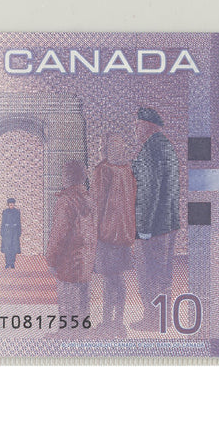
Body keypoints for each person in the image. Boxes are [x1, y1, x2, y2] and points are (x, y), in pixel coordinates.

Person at [130, 107, 182, 331]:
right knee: (163, 276)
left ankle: (152, 320)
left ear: (147, 126)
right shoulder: (166, 146)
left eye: (137, 125)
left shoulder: (151, 149)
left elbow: (148, 191)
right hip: (168, 224)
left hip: (153, 227)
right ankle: (163, 319)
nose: (135, 129)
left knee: (149, 274)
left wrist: (143, 228)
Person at [91, 133, 137, 336]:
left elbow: (97, 203)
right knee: (118, 279)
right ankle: (118, 323)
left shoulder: (103, 170)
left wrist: (91, 231)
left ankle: (107, 323)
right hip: (124, 234)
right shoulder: (128, 171)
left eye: (103, 145)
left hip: (106, 233)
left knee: (109, 280)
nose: (101, 149)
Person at [46, 161, 98, 324]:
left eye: (64, 174)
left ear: (67, 177)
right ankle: (82, 331)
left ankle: (67, 333)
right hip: (85, 258)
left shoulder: (66, 201)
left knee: (67, 300)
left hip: (68, 260)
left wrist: (51, 259)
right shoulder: (89, 198)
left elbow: (59, 233)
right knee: (83, 298)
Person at [0, 198, 21, 268]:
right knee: (7, 248)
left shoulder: (17, 212)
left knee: (14, 248)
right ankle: (7, 263)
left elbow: (19, 222)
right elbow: (3, 222)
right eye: (10, 203)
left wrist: (19, 232)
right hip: (7, 232)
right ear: (8, 204)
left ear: (14, 204)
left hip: (14, 232)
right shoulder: (5, 212)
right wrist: (2, 232)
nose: (11, 204)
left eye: (12, 203)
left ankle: (12, 263)